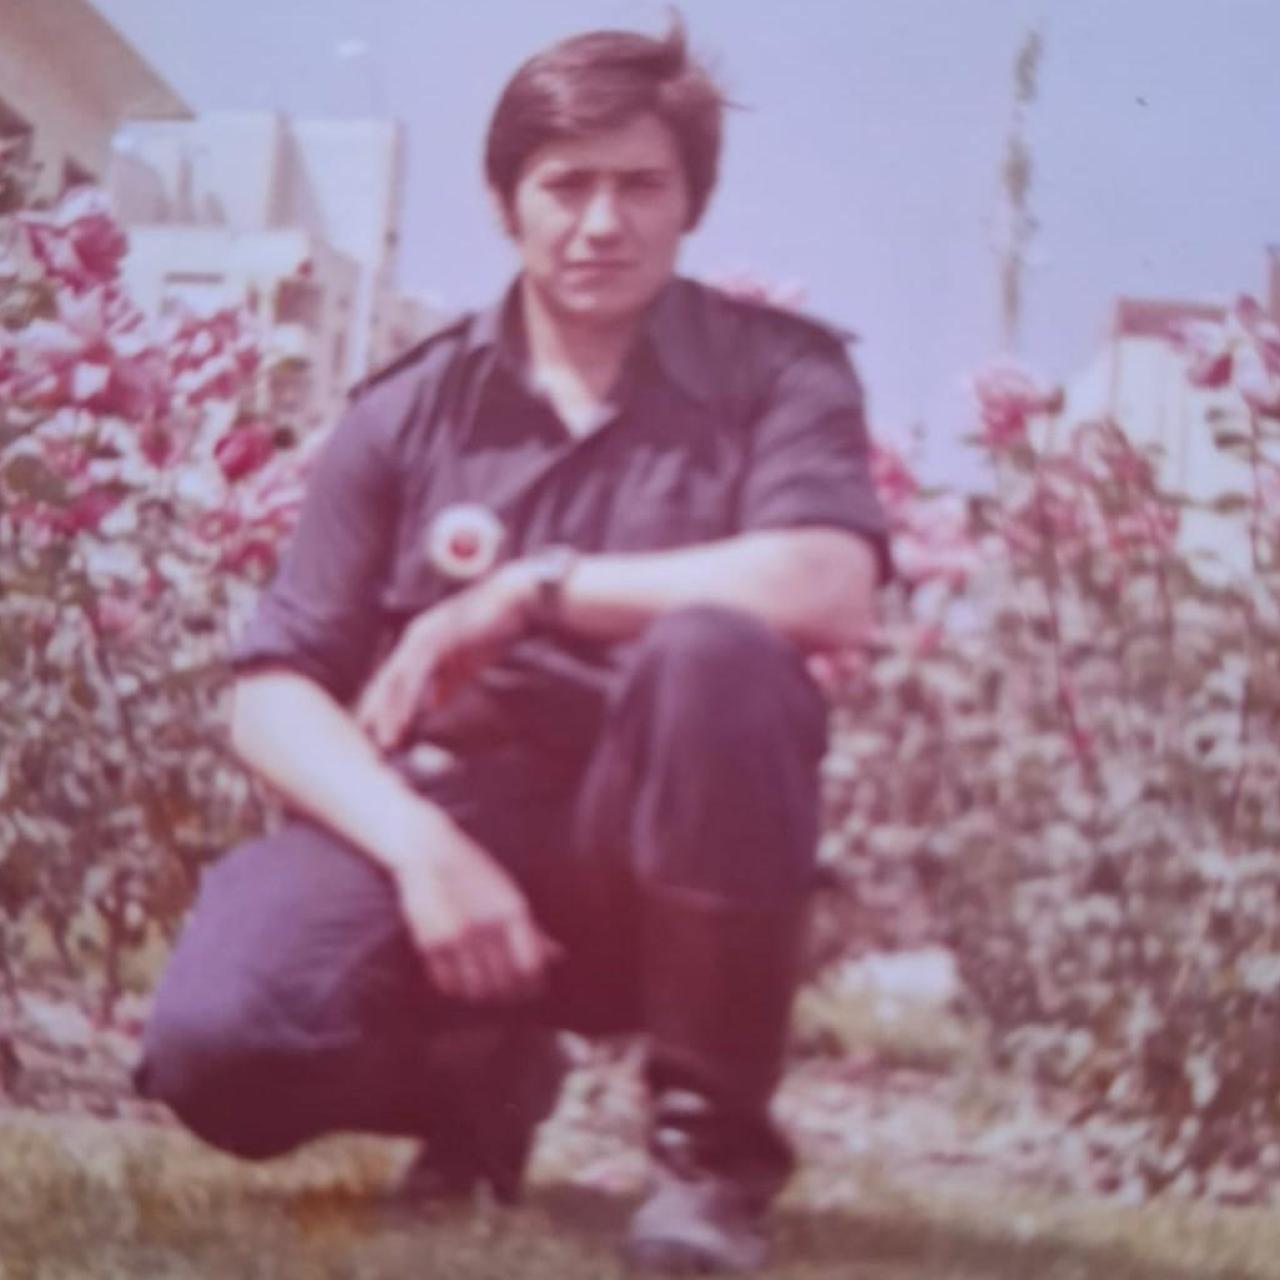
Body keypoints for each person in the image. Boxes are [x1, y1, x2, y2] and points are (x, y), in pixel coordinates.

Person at [135, 17, 891, 1274]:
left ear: (691, 199)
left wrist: (526, 593)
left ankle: (707, 1167)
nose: (601, 221)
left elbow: (824, 583)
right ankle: (472, 1088)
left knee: (714, 655)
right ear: (504, 201)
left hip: (659, 844)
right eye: (565, 184)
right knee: (220, 1048)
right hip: (454, 824)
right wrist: (425, 849)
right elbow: (273, 690)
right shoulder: (406, 410)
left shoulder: (776, 375)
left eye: (641, 183)